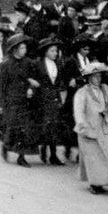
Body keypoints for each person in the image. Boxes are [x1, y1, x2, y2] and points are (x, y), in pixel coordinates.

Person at [71, 62, 108, 194]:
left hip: (103, 127)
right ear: (89, 78)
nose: (98, 79)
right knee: (93, 157)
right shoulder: (82, 92)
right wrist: (82, 126)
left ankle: (102, 181)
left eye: (100, 76)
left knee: (107, 153)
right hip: (88, 128)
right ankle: (94, 184)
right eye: (95, 76)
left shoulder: (104, 89)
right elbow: (78, 111)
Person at [0, 34, 41, 167]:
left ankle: (21, 156)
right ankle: (6, 145)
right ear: (15, 49)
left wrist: (31, 88)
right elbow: (1, 86)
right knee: (13, 128)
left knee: (25, 129)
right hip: (11, 100)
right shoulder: (5, 65)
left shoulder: (28, 63)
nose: (24, 50)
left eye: (25, 48)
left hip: (25, 100)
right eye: (22, 48)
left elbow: (33, 79)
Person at [34, 36, 69, 165]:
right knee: (45, 126)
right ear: (45, 51)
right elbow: (33, 79)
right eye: (52, 51)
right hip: (41, 98)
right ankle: (44, 148)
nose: (55, 53)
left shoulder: (59, 64)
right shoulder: (38, 64)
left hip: (54, 97)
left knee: (54, 126)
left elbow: (60, 81)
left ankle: (53, 154)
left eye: (56, 51)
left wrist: (61, 97)